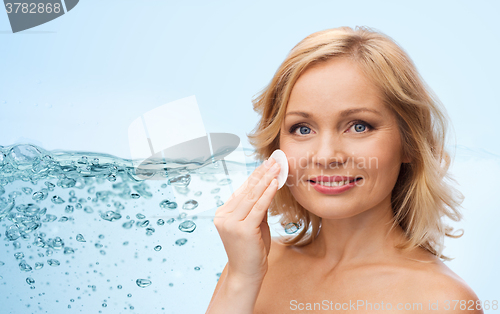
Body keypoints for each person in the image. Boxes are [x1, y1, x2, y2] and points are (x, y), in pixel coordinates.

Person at [206, 26, 483, 313]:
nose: (326, 156)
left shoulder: (442, 302)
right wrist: (241, 280)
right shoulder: (251, 268)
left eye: (359, 126)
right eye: (302, 129)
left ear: (410, 143)